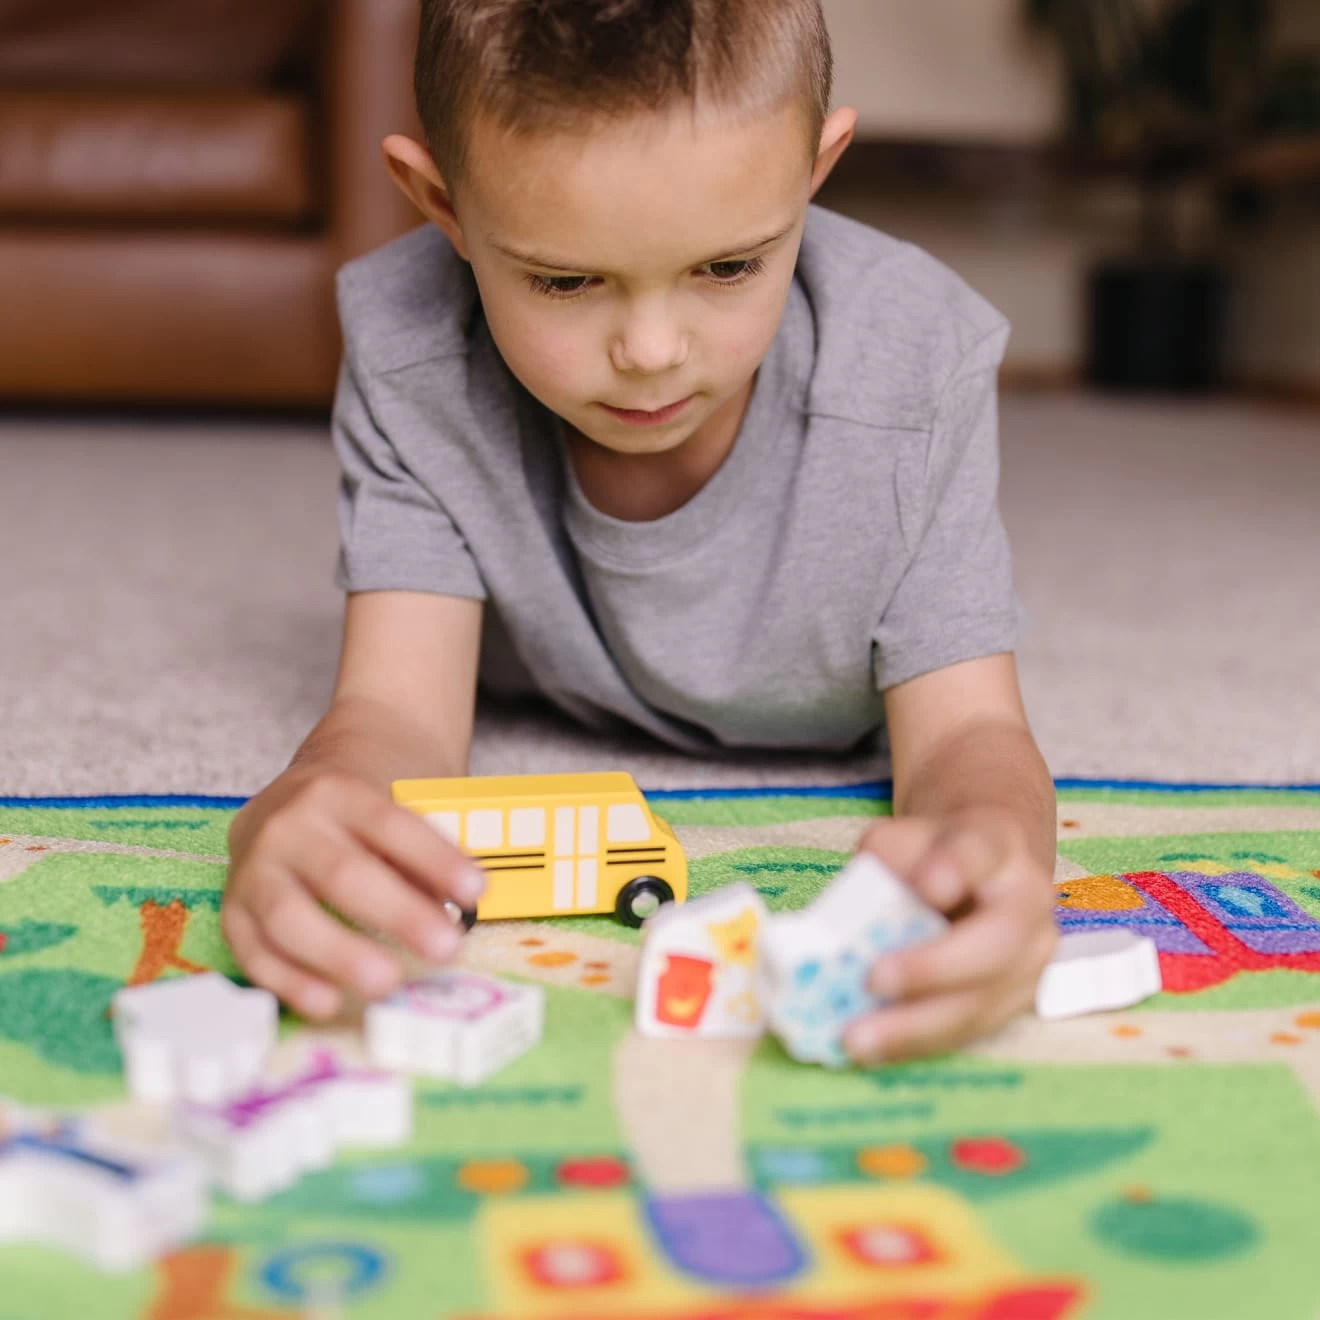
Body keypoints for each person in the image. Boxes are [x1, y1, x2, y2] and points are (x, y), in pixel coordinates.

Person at [223, 0, 1058, 1062]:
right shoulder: (412, 346)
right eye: (566, 281)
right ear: (442, 205)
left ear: (816, 167)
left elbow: (968, 737)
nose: (654, 351)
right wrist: (314, 802)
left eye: (727, 268)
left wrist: (997, 853)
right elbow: (394, 710)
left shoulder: (912, 364)